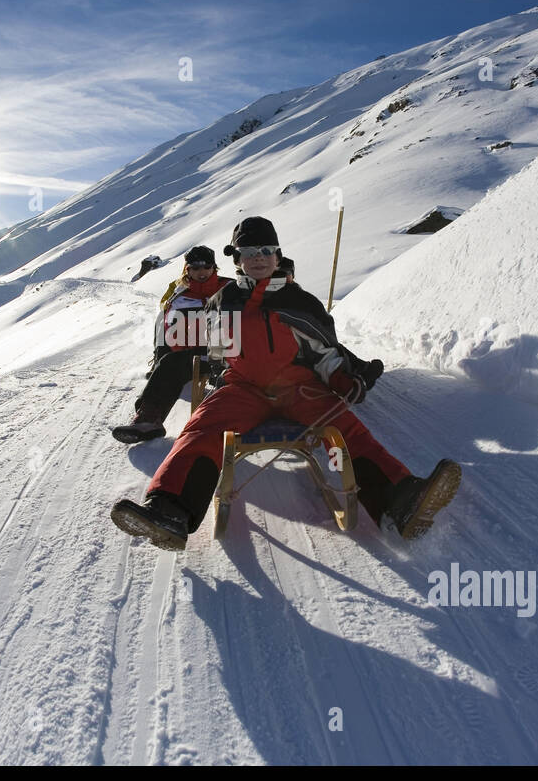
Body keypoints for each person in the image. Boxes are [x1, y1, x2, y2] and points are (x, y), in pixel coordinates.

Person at [111, 216, 461, 550]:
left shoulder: (299, 300)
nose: (258, 258)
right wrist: (221, 375)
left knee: (346, 429)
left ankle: (399, 502)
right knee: (201, 428)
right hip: (243, 386)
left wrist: (342, 378)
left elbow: (325, 351)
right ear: (237, 260)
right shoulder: (223, 301)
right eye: (249, 253)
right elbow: (220, 352)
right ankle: (168, 509)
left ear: (277, 254)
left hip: (298, 387)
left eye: (265, 251)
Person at [112, 245, 226, 443]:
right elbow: (169, 329)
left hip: (229, 353)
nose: (201, 272)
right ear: (187, 269)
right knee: (170, 361)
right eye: (195, 267)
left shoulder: (229, 288)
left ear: (214, 267)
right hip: (195, 351)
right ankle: (149, 419)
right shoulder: (180, 295)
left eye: (206, 266)